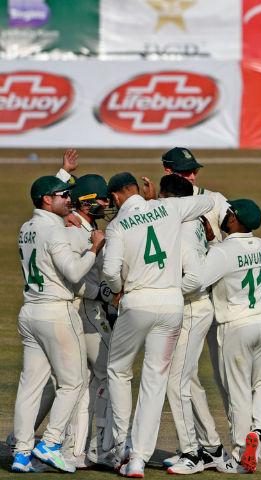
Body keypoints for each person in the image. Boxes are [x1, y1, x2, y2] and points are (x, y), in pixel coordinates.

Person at [100, 173, 214, 477]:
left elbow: (111, 272)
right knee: (155, 380)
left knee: (119, 370)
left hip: (137, 303)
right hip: (172, 306)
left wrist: (119, 288)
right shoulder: (169, 208)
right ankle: (138, 458)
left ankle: (121, 446)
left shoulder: (116, 225)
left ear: (118, 196)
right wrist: (159, 201)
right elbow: (207, 200)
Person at [13, 176, 105, 473]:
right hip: (56, 312)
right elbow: (74, 272)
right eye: (63, 195)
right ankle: (50, 444)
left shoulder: (27, 228)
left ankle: (22, 453)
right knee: (74, 381)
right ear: (46, 200)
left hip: (30, 312)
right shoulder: (55, 231)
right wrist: (94, 247)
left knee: (30, 388)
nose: (69, 199)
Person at [155, 175, 228, 474]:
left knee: (176, 382)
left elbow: (195, 280)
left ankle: (192, 453)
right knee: (189, 381)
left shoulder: (184, 229)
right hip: (191, 309)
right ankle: (212, 447)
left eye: (161, 196)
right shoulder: (193, 220)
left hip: (192, 309)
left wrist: (166, 290)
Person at [200, 199, 261, 474]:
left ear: (233, 220)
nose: (224, 215)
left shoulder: (223, 251)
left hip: (236, 324)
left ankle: (241, 455)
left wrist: (210, 246)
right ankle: (259, 431)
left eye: (228, 212)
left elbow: (200, 280)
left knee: (239, 391)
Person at [60, 173, 117, 469]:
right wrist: (105, 295)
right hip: (85, 311)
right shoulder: (73, 232)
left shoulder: (85, 225)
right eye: (101, 199)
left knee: (84, 383)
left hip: (88, 310)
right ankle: (101, 447)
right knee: (109, 374)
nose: (106, 203)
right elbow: (74, 281)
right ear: (83, 202)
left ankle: (74, 449)